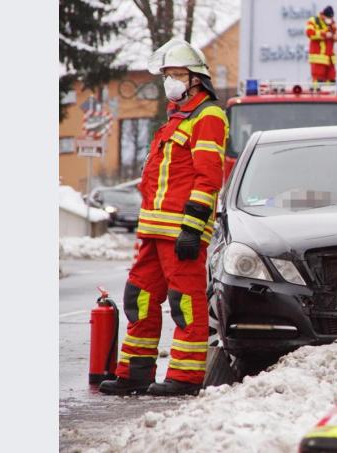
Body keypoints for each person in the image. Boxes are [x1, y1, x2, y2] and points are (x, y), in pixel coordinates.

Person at [99, 38, 228, 396]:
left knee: (184, 302)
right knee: (138, 297)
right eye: (167, 75)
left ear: (196, 79)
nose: (170, 81)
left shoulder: (208, 117)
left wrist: (193, 227)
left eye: (177, 74)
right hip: (154, 230)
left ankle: (185, 377)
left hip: (181, 231)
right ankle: (135, 372)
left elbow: (208, 178)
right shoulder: (175, 119)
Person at [306, 5, 337, 83]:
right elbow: (310, 33)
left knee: (331, 79)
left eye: (331, 18)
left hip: (330, 58)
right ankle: (318, 89)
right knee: (318, 79)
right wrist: (324, 34)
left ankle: (329, 90)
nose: (330, 19)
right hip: (318, 57)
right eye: (328, 17)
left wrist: (336, 37)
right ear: (323, 15)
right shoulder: (314, 21)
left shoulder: (332, 23)